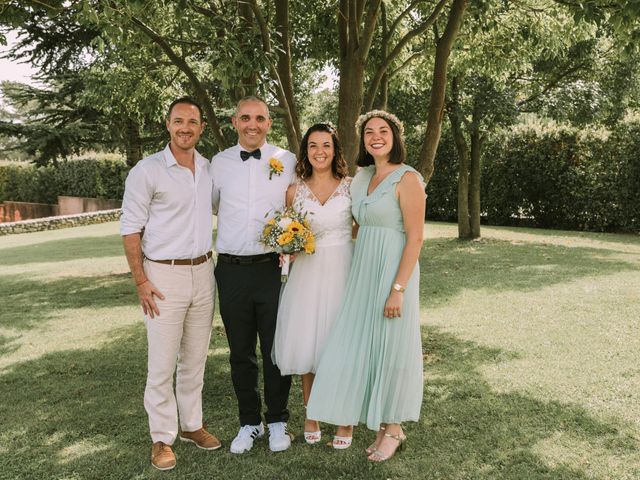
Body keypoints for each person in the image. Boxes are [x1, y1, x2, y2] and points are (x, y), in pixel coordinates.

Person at [307, 110, 426, 462]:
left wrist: (398, 288)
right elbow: (357, 225)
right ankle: (378, 426)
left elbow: (416, 237)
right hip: (363, 272)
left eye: (383, 131)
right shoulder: (361, 178)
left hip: (394, 272)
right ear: (362, 141)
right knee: (370, 347)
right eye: (369, 132)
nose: (376, 136)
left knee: (392, 346)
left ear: (395, 137)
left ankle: (393, 429)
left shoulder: (408, 179)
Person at [121, 97, 220, 471]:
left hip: (203, 272)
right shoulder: (147, 171)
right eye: (179, 121)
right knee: (161, 364)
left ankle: (192, 425)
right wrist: (141, 281)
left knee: (195, 359)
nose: (185, 128)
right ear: (168, 124)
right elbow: (131, 228)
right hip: (162, 275)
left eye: (192, 122)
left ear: (201, 128)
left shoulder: (209, 169)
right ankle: (162, 438)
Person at [211, 96, 297, 454]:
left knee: (276, 349)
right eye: (245, 118)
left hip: (271, 269)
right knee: (240, 353)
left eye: (260, 118)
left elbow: (298, 203)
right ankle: (249, 423)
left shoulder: (287, 160)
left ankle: (277, 420)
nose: (253, 124)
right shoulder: (218, 163)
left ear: (269, 123)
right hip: (230, 269)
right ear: (234, 122)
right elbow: (214, 205)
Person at [272, 123, 354, 449]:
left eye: (326, 145)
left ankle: (345, 418)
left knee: (343, 345)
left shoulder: (351, 186)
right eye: (313, 146)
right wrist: (285, 247)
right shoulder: (294, 191)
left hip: (344, 269)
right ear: (305, 151)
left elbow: (360, 230)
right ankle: (312, 413)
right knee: (308, 342)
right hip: (307, 271)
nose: (319, 151)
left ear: (335, 150)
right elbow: (287, 233)